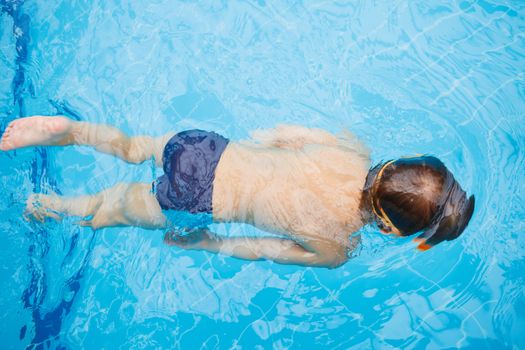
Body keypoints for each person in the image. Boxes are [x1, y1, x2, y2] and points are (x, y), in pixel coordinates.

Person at [0, 116, 474, 268]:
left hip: (207, 147)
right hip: (201, 199)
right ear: (389, 227)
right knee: (110, 209)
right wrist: (211, 242)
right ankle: (55, 205)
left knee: (133, 146)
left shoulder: (352, 150)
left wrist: (260, 146)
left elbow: (285, 133)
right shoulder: (339, 245)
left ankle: (71, 130)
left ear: (392, 164)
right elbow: (264, 249)